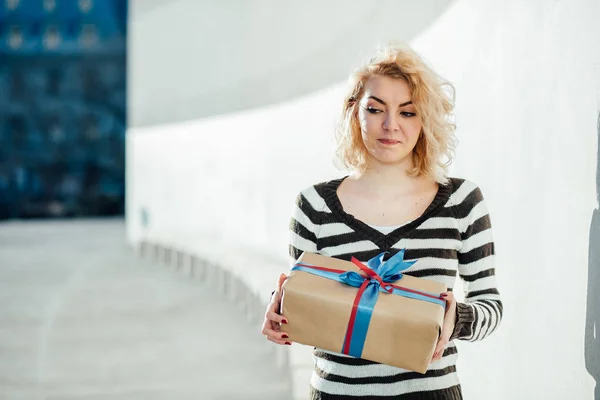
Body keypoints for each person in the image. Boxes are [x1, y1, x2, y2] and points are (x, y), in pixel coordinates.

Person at [261, 43, 502, 399]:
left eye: (407, 112)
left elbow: (490, 305)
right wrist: (280, 311)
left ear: (425, 119)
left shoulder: (461, 202)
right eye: (376, 109)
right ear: (354, 113)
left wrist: (457, 318)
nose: (390, 125)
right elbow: (308, 296)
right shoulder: (314, 206)